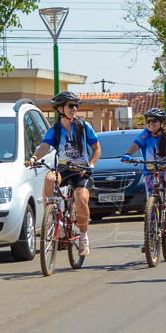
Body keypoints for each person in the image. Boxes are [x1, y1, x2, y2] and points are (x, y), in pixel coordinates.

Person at [26, 91, 101, 257]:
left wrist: (92, 165)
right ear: (60, 109)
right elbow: (44, 147)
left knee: (81, 199)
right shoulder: (55, 130)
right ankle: (51, 219)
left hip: (82, 170)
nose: (74, 108)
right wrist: (33, 158)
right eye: (70, 105)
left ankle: (83, 238)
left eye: (76, 105)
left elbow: (96, 149)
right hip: (64, 169)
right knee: (50, 178)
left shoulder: (84, 127)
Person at [121, 107, 166, 219]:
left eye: (154, 121)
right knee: (152, 198)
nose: (150, 124)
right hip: (152, 169)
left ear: (162, 123)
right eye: (148, 121)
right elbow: (136, 145)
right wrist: (128, 154)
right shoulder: (145, 134)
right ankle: (152, 231)